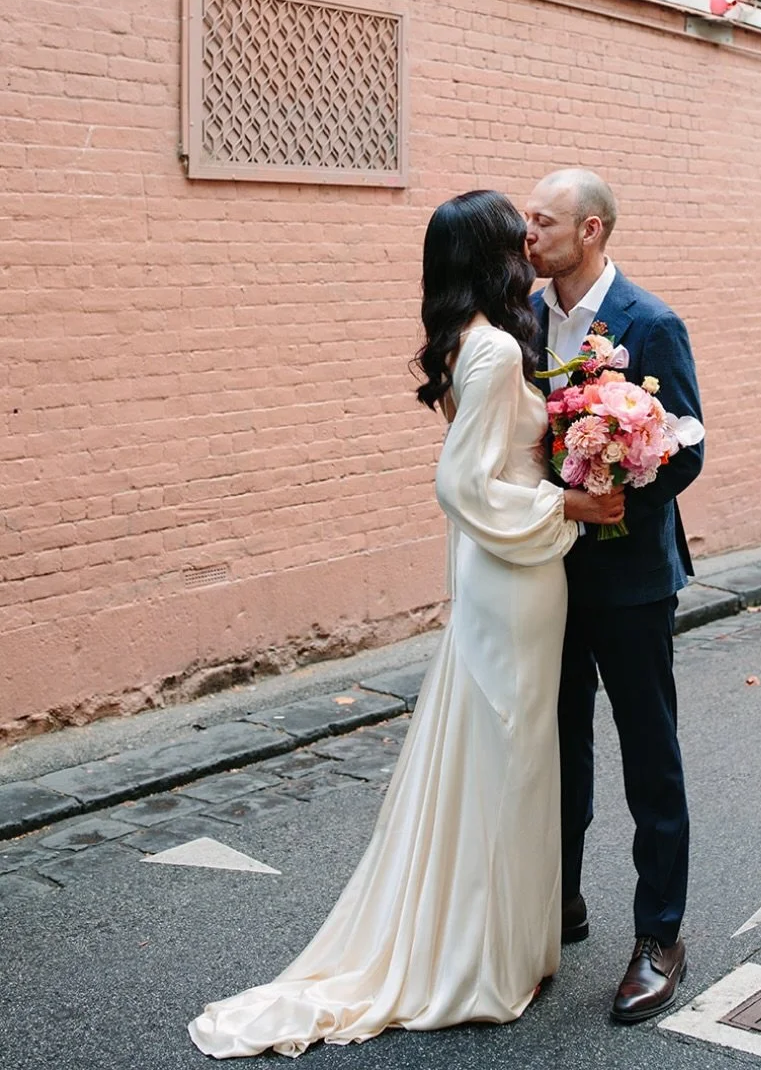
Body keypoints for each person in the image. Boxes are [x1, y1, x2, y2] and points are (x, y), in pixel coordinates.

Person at [187, 190, 624, 1059]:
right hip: (516, 569)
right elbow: (461, 488)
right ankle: (483, 960)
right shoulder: (497, 350)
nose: (531, 239)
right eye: (519, 230)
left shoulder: (472, 341)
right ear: (495, 252)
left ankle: (507, 942)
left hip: (506, 571)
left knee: (509, 753)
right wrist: (570, 500)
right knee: (509, 755)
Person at [524, 169, 705, 1025]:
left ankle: (659, 936)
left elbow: (689, 447)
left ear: (589, 230)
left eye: (543, 220)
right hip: (547, 572)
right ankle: (559, 906)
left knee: (648, 755)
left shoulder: (652, 322)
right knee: (557, 750)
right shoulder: (523, 318)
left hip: (631, 579)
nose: (529, 233)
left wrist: (618, 480)